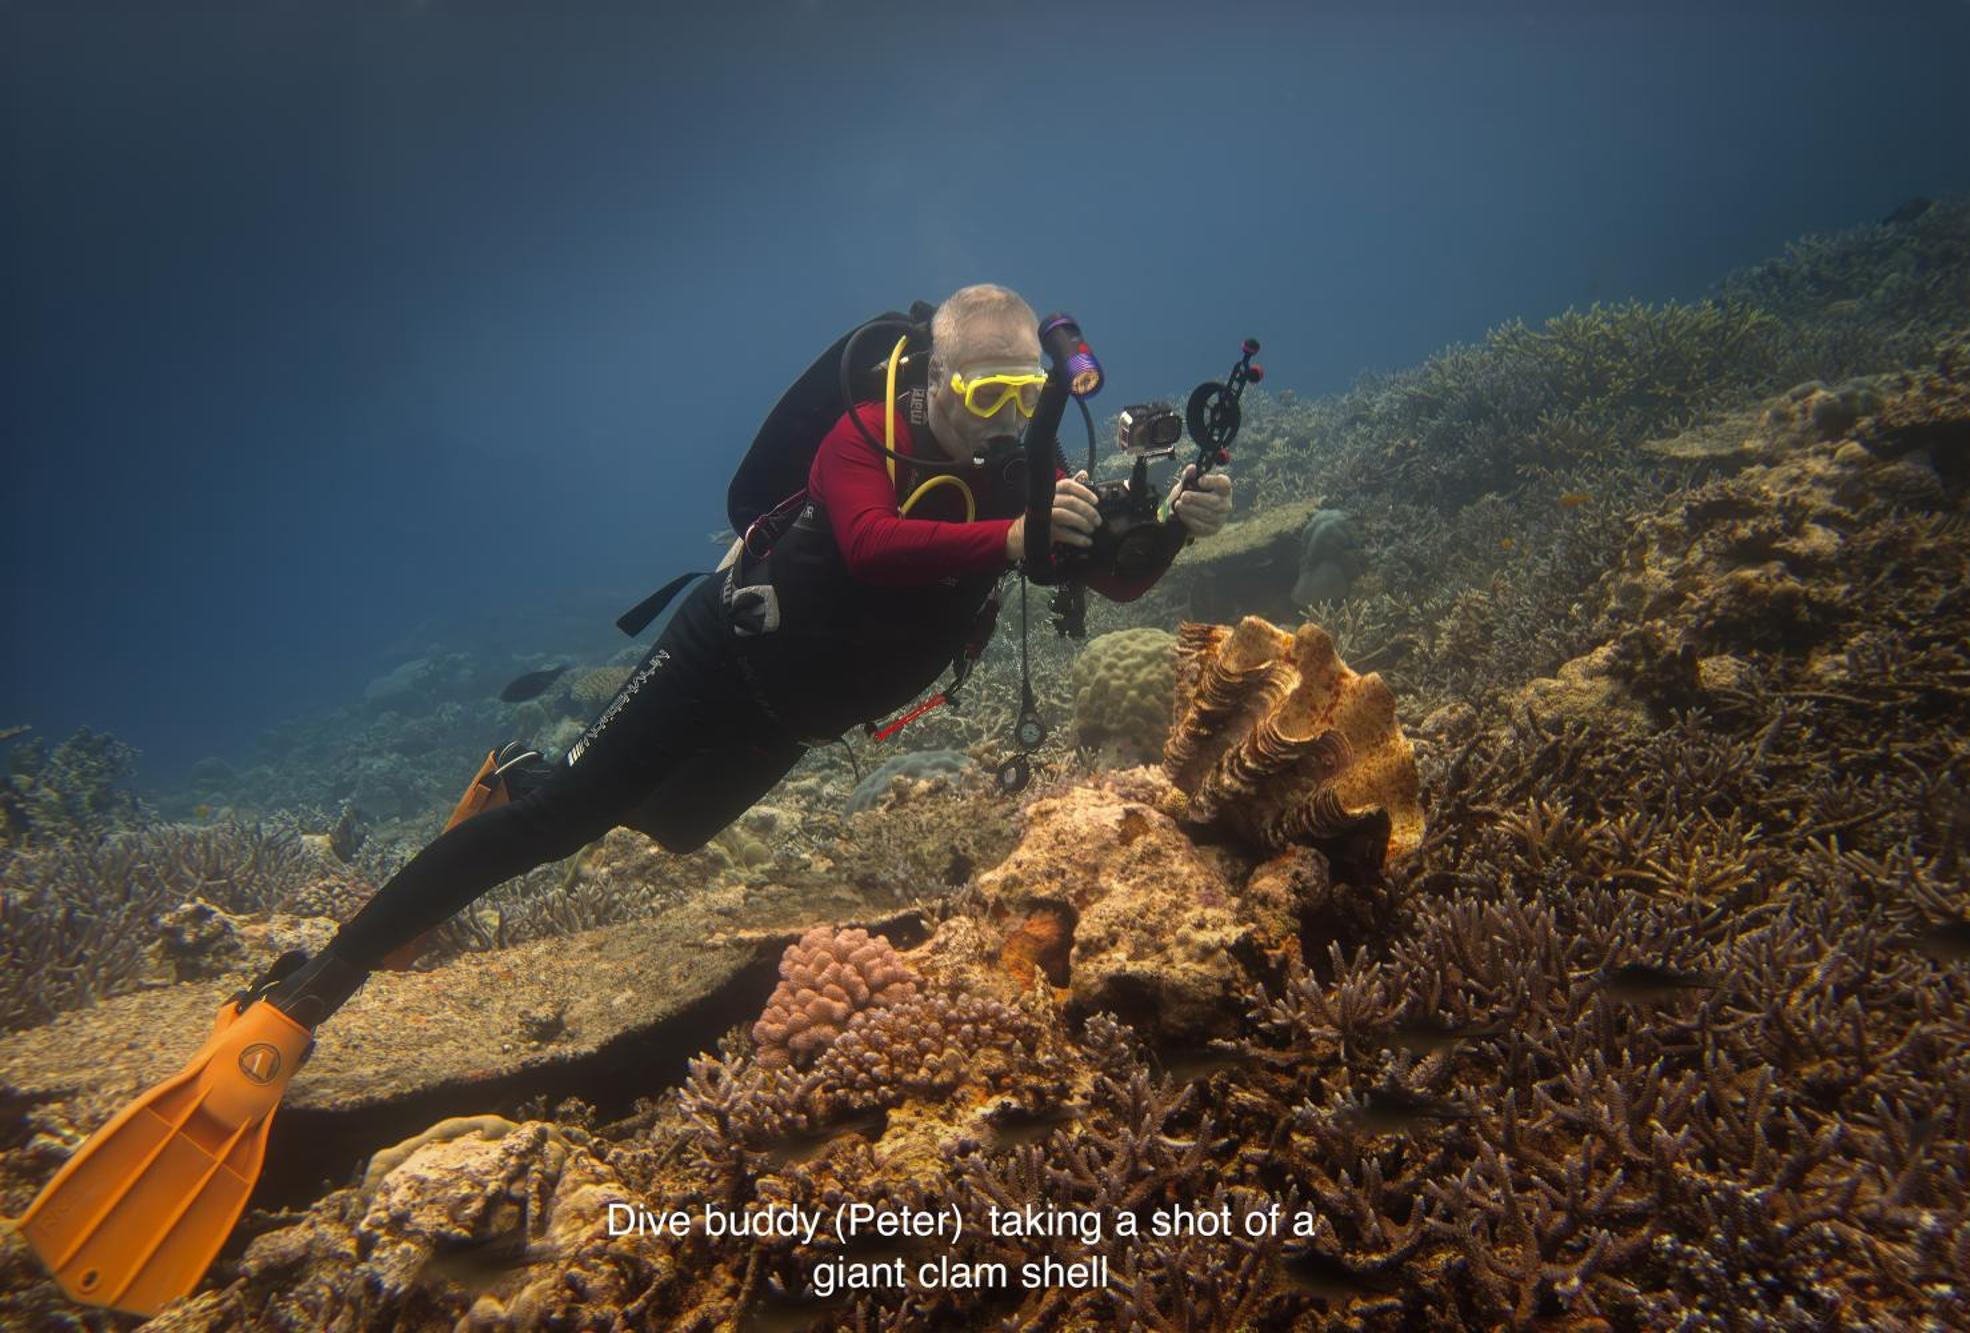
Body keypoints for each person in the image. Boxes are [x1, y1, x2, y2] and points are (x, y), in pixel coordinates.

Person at [15, 284, 1232, 1317]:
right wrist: (1011, 541)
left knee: (670, 828)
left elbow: (1107, 581)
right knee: (565, 828)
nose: (1001, 423)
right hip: (724, 649)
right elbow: (863, 544)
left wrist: (1168, 533)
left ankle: (529, 776)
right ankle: (308, 988)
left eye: (1018, 399)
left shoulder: (1026, 464)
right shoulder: (860, 434)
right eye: (976, 398)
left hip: (794, 714)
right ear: (926, 387)